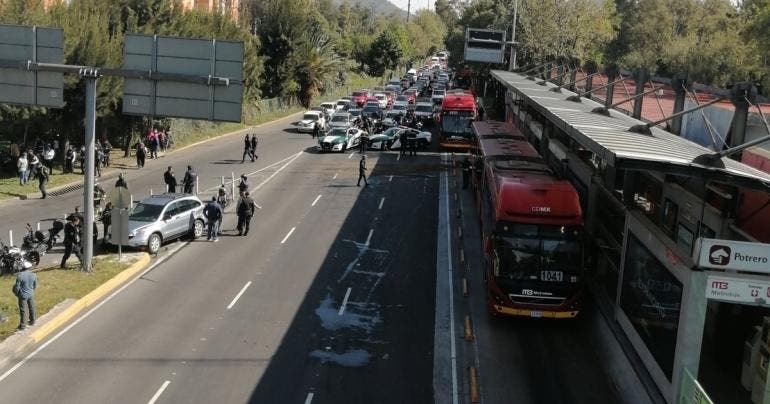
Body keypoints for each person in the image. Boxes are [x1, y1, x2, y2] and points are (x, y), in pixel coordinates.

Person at [12, 264, 37, 330]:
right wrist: (31, 291)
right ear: (29, 268)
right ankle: (33, 321)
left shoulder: (20, 276)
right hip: (30, 294)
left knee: (23, 310)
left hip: (23, 295)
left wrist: (16, 294)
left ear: (22, 268)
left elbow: (17, 288)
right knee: (32, 307)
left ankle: (22, 325)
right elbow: (35, 286)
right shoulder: (33, 275)